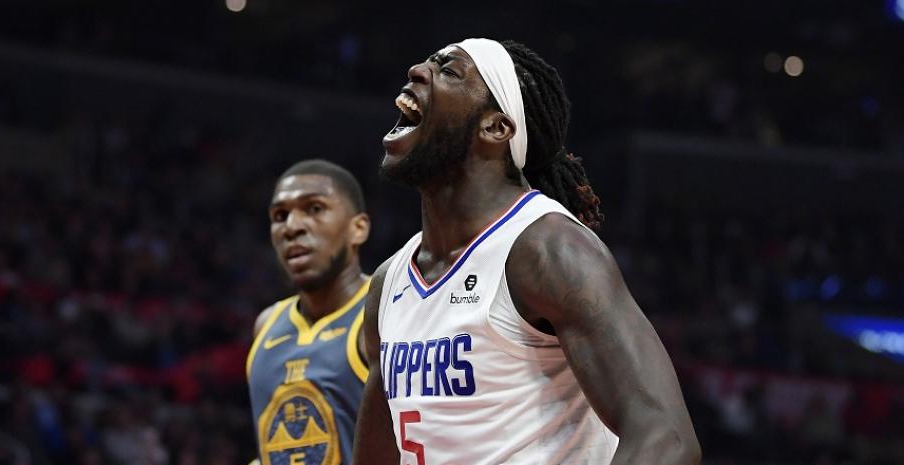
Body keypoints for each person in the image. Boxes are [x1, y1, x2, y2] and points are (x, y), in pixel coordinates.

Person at [352, 39, 701, 464]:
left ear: (495, 128)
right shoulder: (389, 284)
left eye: (449, 71)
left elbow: (666, 437)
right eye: (428, 61)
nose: (417, 70)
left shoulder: (547, 249)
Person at [247, 159, 371, 465]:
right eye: (280, 215)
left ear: (358, 229)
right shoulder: (266, 324)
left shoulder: (385, 312)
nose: (292, 227)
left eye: (314, 208)